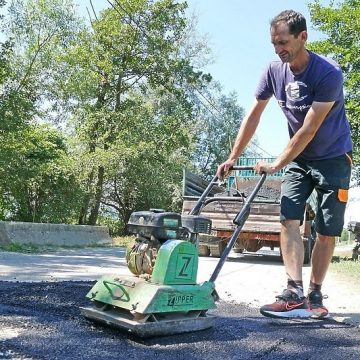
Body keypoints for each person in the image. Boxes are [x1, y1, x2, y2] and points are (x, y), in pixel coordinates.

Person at [217, 10, 353, 319]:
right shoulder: (273, 71)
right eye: (273, 43)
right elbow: (254, 115)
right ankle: (294, 292)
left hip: (333, 158)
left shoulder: (328, 73)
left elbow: (309, 128)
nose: (278, 49)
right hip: (298, 158)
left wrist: (277, 162)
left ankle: (315, 294)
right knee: (288, 218)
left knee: (326, 229)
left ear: (303, 37)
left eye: (283, 42)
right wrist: (233, 156)